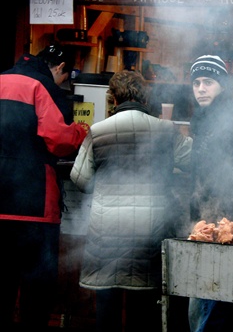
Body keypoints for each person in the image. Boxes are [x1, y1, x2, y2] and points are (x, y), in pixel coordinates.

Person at [70, 70, 192, 332]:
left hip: (107, 231)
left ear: (113, 97)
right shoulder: (165, 130)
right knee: (145, 303)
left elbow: (80, 179)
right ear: (145, 97)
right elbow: (195, 160)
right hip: (149, 230)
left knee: (107, 301)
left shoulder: (98, 131)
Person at [0, 43, 87, 331]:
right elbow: (59, 139)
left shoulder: (2, 79)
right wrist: (80, 132)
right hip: (34, 207)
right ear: (61, 68)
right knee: (36, 291)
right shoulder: (42, 87)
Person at [187, 55, 233, 332]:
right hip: (206, 219)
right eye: (196, 83)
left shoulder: (230, 120)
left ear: (222, 86)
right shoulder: (201, 119)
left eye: (209, 82)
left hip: (224, 221)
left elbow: (232, 176)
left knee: (213, 301)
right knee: (204, 298)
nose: (201, 88)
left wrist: (218, 223)